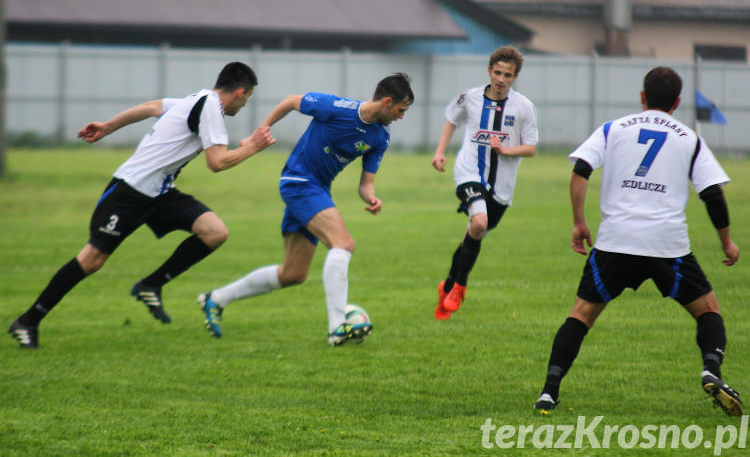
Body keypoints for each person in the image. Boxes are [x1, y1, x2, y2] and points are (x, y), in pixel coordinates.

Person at [8, 61, 275, 348]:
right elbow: (217, 162)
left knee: (215, 232)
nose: (246, 104)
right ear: (239, 92)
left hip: (160, 193)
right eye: (247, 98)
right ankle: (27, 321)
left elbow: (150, 106)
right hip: (129, 193)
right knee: (91, 260)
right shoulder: (210, 107)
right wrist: (253, 148)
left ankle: (151, 284)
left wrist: (107, 127)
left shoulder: (195, 100)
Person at [534, 66, 742, 416]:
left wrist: (579, 223)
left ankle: (548, 392)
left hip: (616, 241)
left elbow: (581, 169)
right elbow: (712, 194)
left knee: (581, 316)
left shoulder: (613, 128)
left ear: (642, 97)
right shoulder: (690, 138)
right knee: (708, 311)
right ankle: (711, 369)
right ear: (676, 103)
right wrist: (726, 243)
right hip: (667, 246)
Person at [196, 73, 414, 346]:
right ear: (387, 101)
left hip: (317, 190)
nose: (402, 116)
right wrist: (258, 133)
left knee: (293, 273)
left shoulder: (380, 138)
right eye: (401, 110)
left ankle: (215, 299)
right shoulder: (336, 107)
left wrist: (371, 198)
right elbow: (290, 102)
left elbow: (365, 184)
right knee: (343, 243)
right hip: (299, 181)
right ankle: (337, 329)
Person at [431, 46, 538, 319]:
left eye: (508, 75)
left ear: (515, 77)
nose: (501, 79)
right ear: (489, 71)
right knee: (478, 224)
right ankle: (460, 288)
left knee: (474, 233)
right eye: (498, 72)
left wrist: (505, 151)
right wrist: (440, 152)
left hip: (502, 186)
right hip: (468, 172)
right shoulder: (470, 98)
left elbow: (531, 148)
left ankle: (449, 284)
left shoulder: (523, 107)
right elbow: (450, 119)